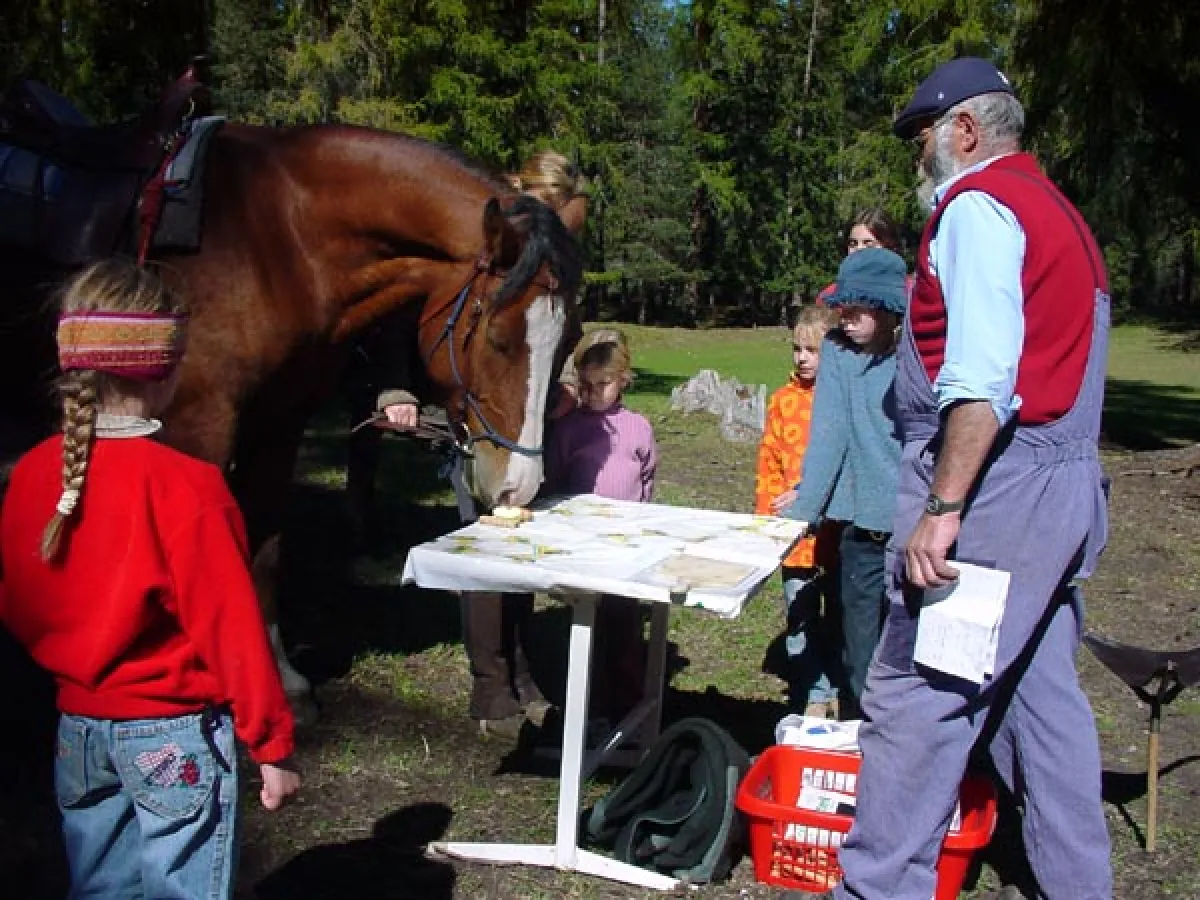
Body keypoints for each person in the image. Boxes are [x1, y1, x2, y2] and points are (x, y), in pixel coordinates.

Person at [797, 58, 1113, 900]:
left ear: (965, 131)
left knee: (919, 698)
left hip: (996, 490)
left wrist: (942, 507)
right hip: (1062, 490)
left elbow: (981, 378)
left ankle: (878, 888)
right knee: (1043, 702)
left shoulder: (978, 207)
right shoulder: (1060, 215)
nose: (918, 156)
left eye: (922, 137)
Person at [0, 259, 300, 900]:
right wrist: (271, 742)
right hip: (173, 734)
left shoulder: (31, 473)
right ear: (166, 368)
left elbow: (19, 605)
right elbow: (232, 632)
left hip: (78, 731)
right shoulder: (187, 487)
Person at [785, 248, 906, 721]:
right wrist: (803, 511)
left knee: (907, 648)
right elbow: (828, 435)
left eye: (859, 309)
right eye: (843, 307)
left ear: (889, 308)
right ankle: (860, 732)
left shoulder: (916, 355)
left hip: (911, 528)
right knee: (859, 651)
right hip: (859, 532)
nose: (846, 318)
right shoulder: (836, 352)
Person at [545, 327, 658, 722]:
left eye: (603, 384)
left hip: (625, 544)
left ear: (623, 380)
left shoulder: (639, 427)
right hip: (583, 543)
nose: (593, 393)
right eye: (586, 385)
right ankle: (584, 702)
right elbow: (555, 481)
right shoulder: (569, 428)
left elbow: (647, 478)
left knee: (624, 621)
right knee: (585, 626)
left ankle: (627, 703)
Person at [754, 305, 843, 718]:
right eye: (797, 349)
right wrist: (767, 519)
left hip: (836, 536)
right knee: (800, 619)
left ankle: (839, 689)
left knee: (839, 620)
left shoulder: (842, 402)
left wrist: (809, 494)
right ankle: (813, 695)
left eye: (813, 350)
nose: (802, 358)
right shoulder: (782, 401)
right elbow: (768, 462)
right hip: (793, 540)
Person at [814, 208, 905, 307]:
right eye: (853, 244)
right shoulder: (830, 296)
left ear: (889, 246)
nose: (859, 249)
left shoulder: (908, 292)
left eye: (869, 244)